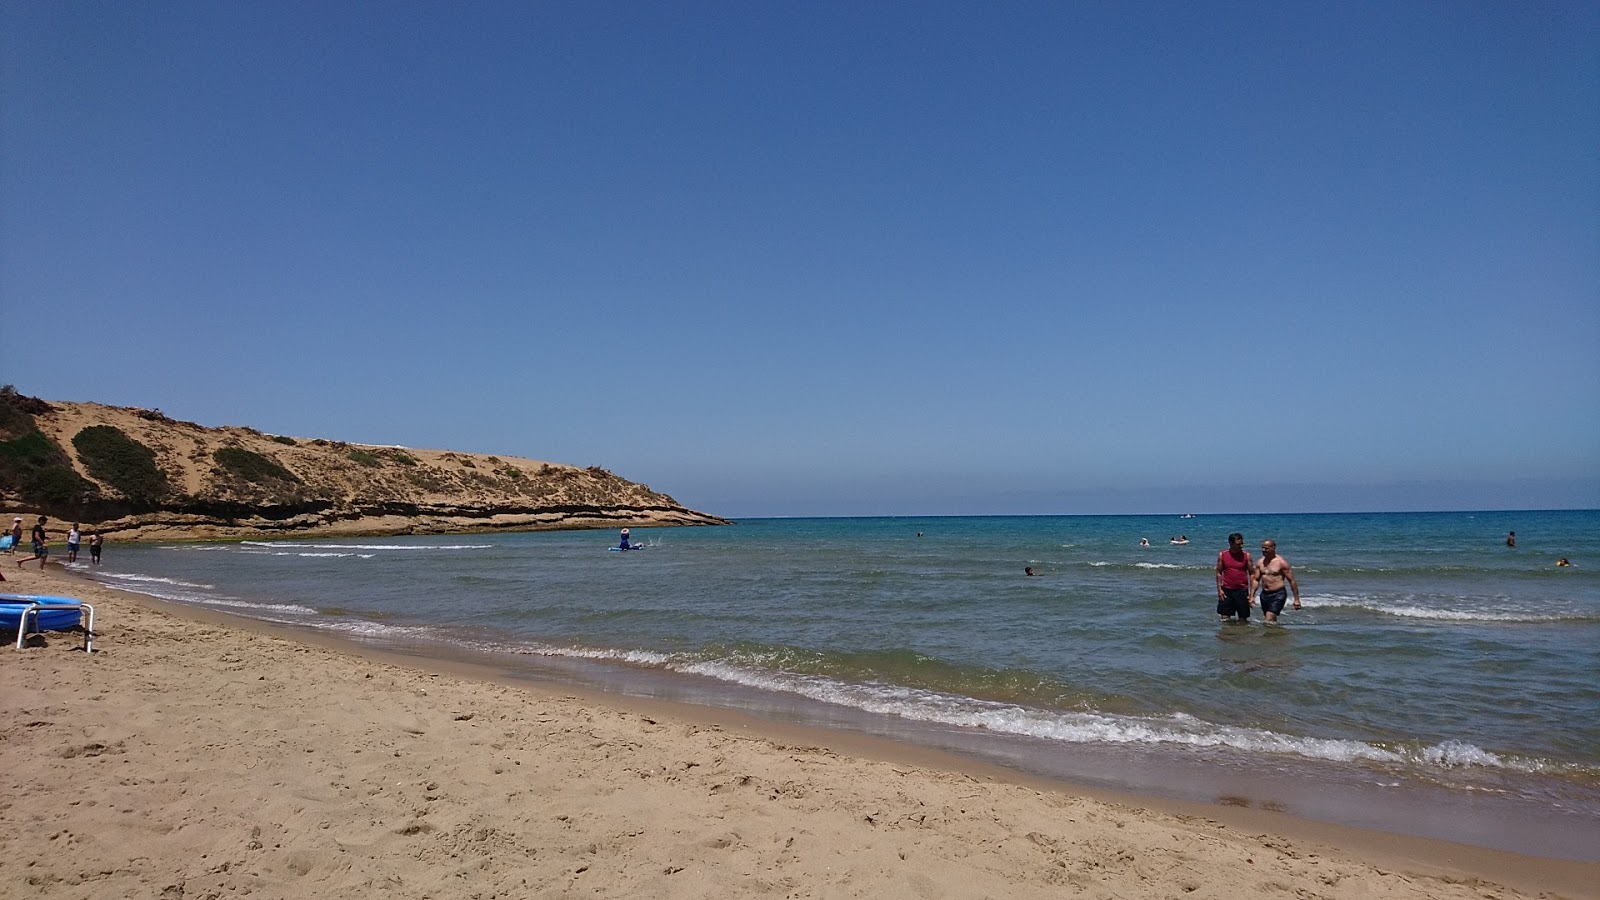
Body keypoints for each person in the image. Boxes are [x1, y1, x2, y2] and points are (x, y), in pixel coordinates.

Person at [1252, 539, 1301, 623]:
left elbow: (1292, 581)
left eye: (1266, 548)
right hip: (1264, 595)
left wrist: (1296, 599)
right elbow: (1256, 580)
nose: (1264, 550)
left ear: (1273, 548)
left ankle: (1268, 635)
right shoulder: (1260, 562)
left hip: (1278, 594)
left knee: (1268, 619)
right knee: (1271, 620)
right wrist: (1251, 595)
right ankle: (1277, 635)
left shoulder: (1281, 563)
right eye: (1262, 548)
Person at [1215, 532, 1252, 622]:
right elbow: (1219, 572)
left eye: (1242, 544)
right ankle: (1228, 634)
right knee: (1225, 618)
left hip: (1242, 590)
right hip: (1226, 590)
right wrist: (1220, 590)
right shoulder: (1223, 555)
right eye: (1238, 544)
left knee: (1243, 619)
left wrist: (1252, 593)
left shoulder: (1246, 555)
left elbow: (1252, 573)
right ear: (1231, 543)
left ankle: (1241, 634)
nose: (1241, 546)